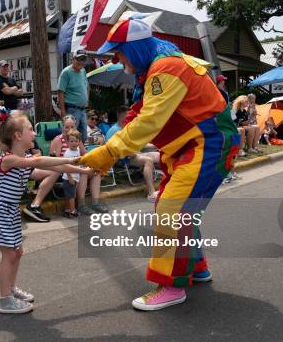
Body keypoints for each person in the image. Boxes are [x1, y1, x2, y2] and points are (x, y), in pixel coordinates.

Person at [79, 19, 241, 311]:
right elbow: (137, 115)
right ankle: (195, 267)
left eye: (119, 51)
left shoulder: (166, 68)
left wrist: (108, 153)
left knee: (172, 209)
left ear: (135, 48)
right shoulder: (155, 68)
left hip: (208, 144)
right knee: (178, 210)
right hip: (196, 145)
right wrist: (107, 152)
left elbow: (149, 122)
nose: (116, 58)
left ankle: (170, 285)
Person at [0, 110, 92, 314]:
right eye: (31, 130)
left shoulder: (23, 159)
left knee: (17, 252)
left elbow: (42, 169)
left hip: (10, 210)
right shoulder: (8, 159)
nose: (34, 134)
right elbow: (37, 163)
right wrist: (71, 162)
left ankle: (11, 288)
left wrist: (83, 170)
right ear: (17, 136)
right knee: (9, 255)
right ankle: (5, 299)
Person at [106, 106, 159, 201]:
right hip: (123, 159)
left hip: (135, 154)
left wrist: (155, 146)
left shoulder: (129, 128)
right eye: (128, 115)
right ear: (120, 116)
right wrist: (133, 153)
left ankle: (169, 185)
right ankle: (151, 193)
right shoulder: (113, 131)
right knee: (148, 160)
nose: (131, 117)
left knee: (161, 155)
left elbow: (139, 143)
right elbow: (113, 150)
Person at [57, 50, 90, 142]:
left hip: (82, 109)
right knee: (71, 137)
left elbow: (87, 85)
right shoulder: (66, 72)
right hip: (71, 109)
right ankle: (69, 156)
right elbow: (60, 92)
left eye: (83, 59)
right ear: (73, 59)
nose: (81, 62)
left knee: (83, 137)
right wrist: (63, 112)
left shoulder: (83, 70)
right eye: (79, 59)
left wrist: (86, 100)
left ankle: (81, 156)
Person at [62, 130, 82, 217]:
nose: (74, 143)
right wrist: (70, 177)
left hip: (76, 176)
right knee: (71, 196)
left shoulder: (77, 150)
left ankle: (67, 210)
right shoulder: (67, 153)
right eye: (71, 141)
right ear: (67, 142)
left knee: (68, 195)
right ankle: (73, 211)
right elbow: (65, 166)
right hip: (69, 178)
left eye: (76, 141)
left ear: (79, 142)